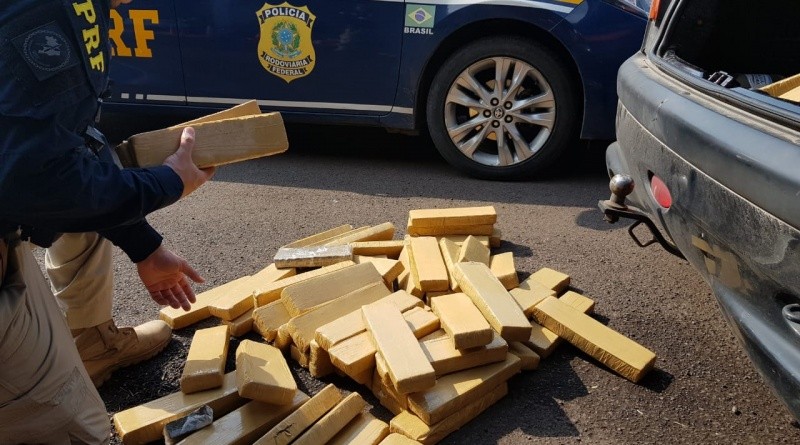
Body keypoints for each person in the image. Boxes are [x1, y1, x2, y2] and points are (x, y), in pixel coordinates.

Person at [0, 0, 214, 442]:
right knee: (75, 428)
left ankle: (92, 345)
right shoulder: (41, 17)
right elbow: (43, 182)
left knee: (101, 185)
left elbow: (64, 146)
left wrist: (144, 245)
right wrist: (168, 182)